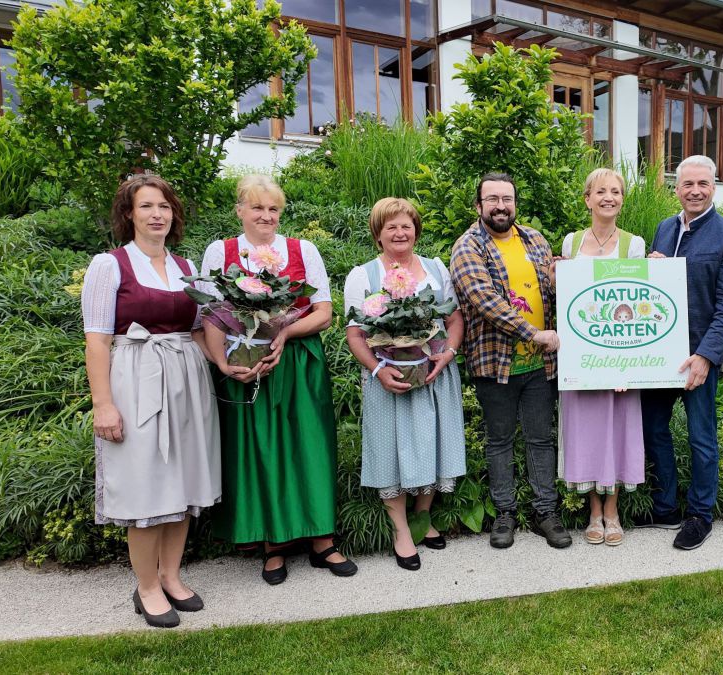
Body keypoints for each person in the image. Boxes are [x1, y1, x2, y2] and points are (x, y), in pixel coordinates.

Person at [200, 174, 357, 583]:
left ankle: (323, 539)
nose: (266, 216)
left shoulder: (303, 250)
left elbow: (323, 311)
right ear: (240, 210)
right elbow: (210, 315)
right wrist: (222, 363)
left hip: (299, 361)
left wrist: (284, 331)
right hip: (245, 361)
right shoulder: (221, 252)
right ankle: (274, 545)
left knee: (310, 445)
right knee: (263, 448)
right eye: (257, 208)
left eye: (273, 209)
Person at [82, 174, 221, 628]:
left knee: (182, 482)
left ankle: (171, 575)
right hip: (136, 380)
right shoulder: (109, 265)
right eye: (146, 207)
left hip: (186, 379)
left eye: (163, 206)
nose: (157, 214)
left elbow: (200, 331)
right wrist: (103, 404)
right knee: (145, 484)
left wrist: (229, 363)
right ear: (129, 215)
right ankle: (145, 587)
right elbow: (98, 341)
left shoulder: (186, 266)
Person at [344, 197, 467, 571]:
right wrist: (378, 369)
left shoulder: (434, 268)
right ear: (378, 234)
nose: (400, 233)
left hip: (432, 372)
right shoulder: (363, 275)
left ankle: (423, 517)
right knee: (390, 449)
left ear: (416, 230)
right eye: (391, 227)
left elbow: (455, 317)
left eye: (406, 225)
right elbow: (355, 334)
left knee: (434, 441)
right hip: (388, 375)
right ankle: (401, 529)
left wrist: (448, 353)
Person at [450, 172, 571, 550]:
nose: (501, 206)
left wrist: (565, 274)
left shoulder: (534, 238)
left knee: (541, 438)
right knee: (499, 440)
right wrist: (533, 334)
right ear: (479, 206)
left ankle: (545, 512)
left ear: (515, 203)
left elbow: (552, 290)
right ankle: (504, 513)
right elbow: (484, 300)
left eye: (507, 199)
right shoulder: (468, 246)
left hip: (540, 365)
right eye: (493, 199)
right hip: (496, 364)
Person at [635, 155, 723, 550]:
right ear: (676, 188)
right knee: (654, 429)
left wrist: (705, 356)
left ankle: (700, 513)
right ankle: (666, 505)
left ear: (714, 187)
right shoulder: (664, 229)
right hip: (658, 354)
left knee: (702, 437)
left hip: (697, 355)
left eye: (702, 184)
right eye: (687, 184)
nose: (695, 191)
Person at [558, 168, 647, 547]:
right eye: (601, 192)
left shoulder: (635, 245)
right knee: (587, 432)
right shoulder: (570, 241)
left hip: (621, 357)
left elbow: (642, 303)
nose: (608, 197)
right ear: (587, 198)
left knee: (618, 429)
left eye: (615, 191)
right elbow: (566, 300)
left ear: (622, 198)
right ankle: (593, 510)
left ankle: (612, 510)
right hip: (581, 357)